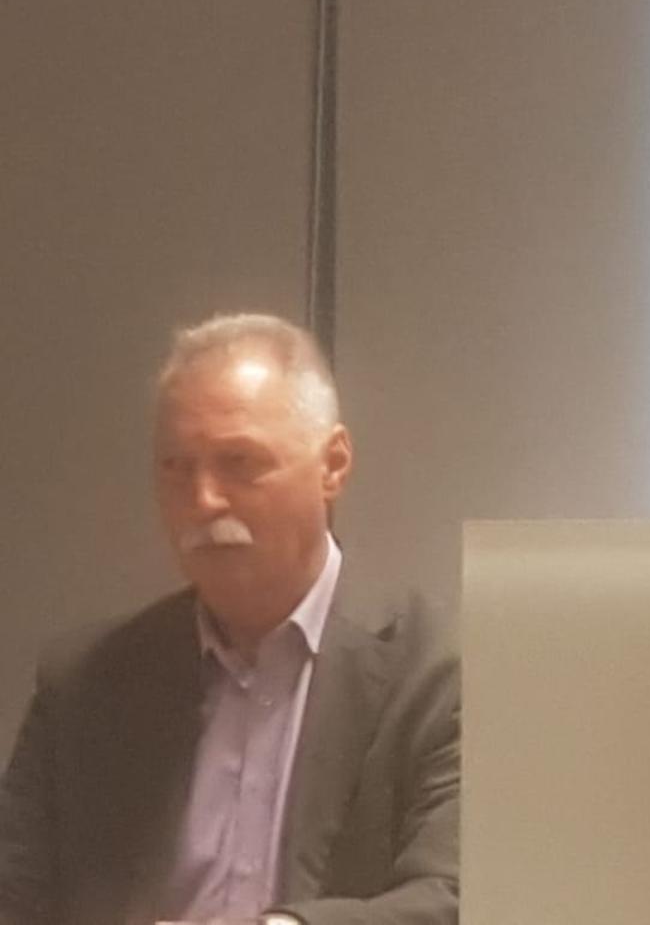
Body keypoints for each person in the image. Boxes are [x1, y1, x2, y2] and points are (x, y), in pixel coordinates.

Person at [0, 314, 458, 924]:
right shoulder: (84, 683)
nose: (204, 500)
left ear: (333, 465)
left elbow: (456, 896)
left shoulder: (441, 669)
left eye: (239, 463)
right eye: (176, 468)